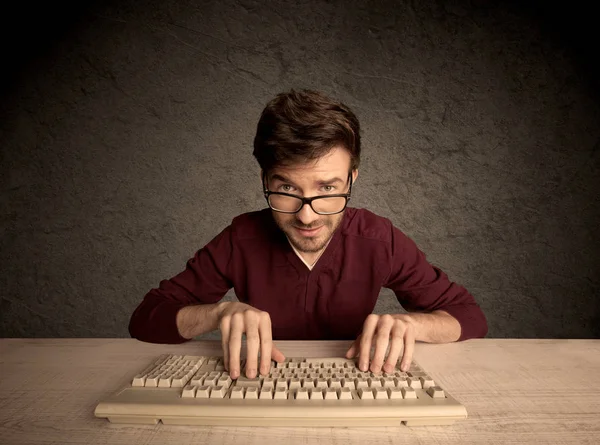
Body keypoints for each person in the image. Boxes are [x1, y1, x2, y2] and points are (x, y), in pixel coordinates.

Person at [129, 88, 488, 381]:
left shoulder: (380, 239)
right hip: (260, 389)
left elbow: (469, 316)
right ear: (264, 181)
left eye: (328, 188)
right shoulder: (241, 238)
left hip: (353, 389)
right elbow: (145, 319)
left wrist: (412, 323)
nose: (306, 215)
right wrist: (217, 315)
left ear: (352, 179)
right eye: (286, 188)